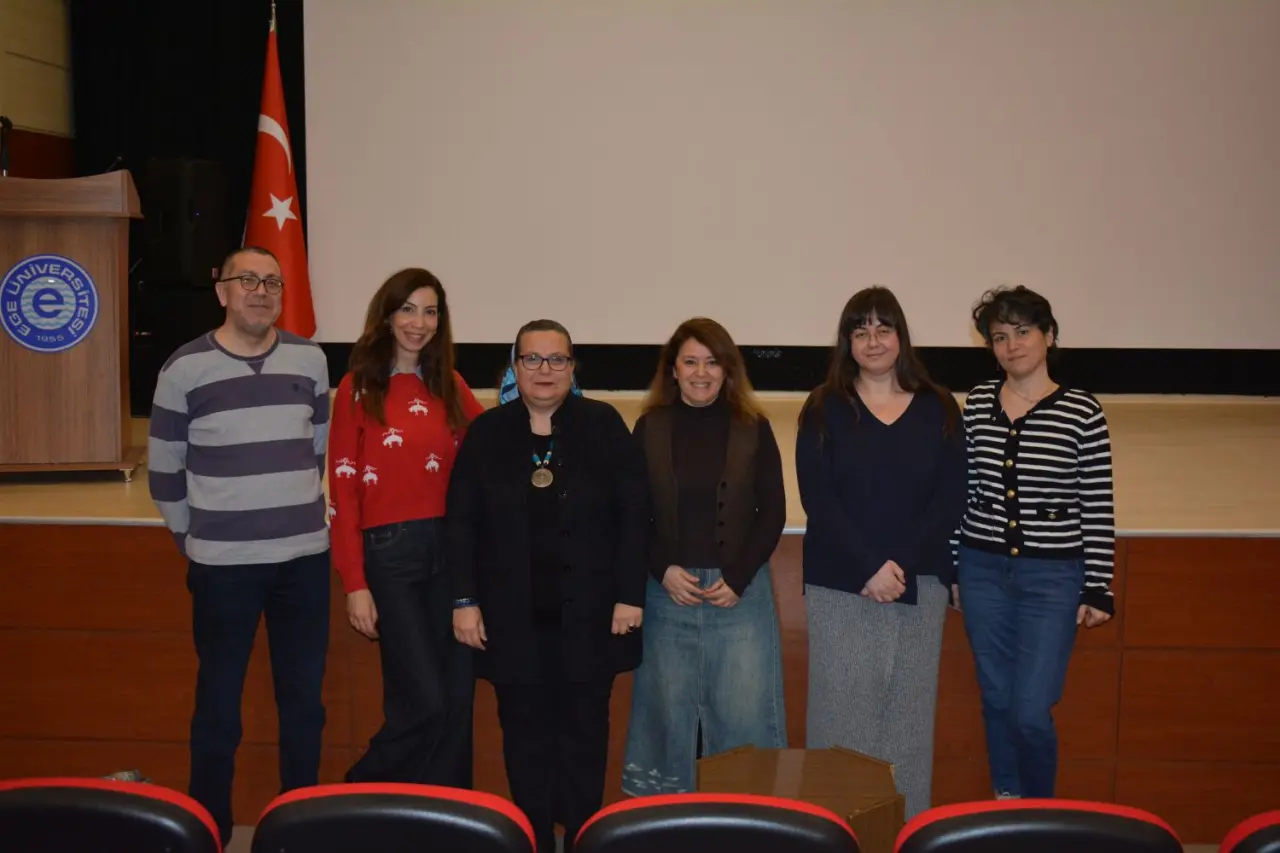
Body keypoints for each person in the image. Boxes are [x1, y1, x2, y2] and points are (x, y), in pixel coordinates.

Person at [147, 245, 331, 846]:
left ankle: (298, 828)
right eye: (247, 280)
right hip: (223, 567)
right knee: (219, 707)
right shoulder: (184, 369)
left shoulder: (310, 359)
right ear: (221, 290)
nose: (261, 292)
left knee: (304, 705)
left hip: (304, 562)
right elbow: (165, 475)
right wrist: (199, 541)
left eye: (272, 282)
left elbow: (315, 450)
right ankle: (209, 831)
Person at [446, 320, 650, 853]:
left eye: (557, 359)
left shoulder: (604, 425)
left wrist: (630, 595)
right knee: (524, 737)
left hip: (592, 619)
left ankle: (582, 838)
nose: (544, 370)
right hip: (512, 621)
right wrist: (464, 600)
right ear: (514, 368)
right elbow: (461, 523)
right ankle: (533, 838)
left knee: (586, 736)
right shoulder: (487, 433)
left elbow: (635, 515)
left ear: (572, 367)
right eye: (532, 359)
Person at [796, 286, 966, 820]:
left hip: (920, 586)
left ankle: (904, 835)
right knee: (841, 727)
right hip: (841, 586)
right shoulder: (823, 407)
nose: (873, 340)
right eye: (860, 330)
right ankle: (836, 834)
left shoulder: (939, 406)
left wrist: (900, 565)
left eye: (883, 328)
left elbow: (951, 497)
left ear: (901, 337)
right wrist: (869, 566)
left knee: (907, 728)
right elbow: (817, 497)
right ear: (847, 342)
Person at [954, 285, 1115, 800]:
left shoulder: (1082, 411)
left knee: (1030, 710)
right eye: (1000, 337)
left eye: (1023, 332)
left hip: (1052, 578)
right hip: (982, 571)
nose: (1012, 345)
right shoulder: (977, 403)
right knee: (996, 698)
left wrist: (1098, 585)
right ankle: (1007, 800)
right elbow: (963, 489)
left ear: (1049, 336)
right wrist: (955, 567)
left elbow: (1097, 501)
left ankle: (1040, 811)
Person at [327, 267, 485, 787]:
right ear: (387, 316)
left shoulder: (450, 385)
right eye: (408, 309)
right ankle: (354, 795)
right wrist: (355, 585)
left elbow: (493, 446)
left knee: (456, 701)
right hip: (390, 557)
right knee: (424, 703)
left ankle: (446, 816)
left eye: (430, 311)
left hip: (451, 552)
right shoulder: (357, 389)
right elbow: (343, 490)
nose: (419, 322)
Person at [622, 317, 788, 796]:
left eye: (712, 362)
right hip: (666, 596)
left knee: (745, 715)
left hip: (739, 597)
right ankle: (664, 824)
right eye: (690, 361)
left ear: (728, 370)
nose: (701, 372)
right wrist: (662, 569)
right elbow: (631, 513)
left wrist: (737, 578)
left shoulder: (753, 428)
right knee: (665, 717)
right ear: (672, 370)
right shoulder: (649, 428)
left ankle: (748, 823)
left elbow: (772, 512)